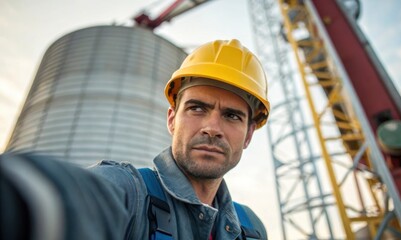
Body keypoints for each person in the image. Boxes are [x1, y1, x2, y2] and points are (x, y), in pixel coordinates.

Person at [0, 39, 270, 240]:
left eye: (232, 116)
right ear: (172, 119)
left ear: (248, 135)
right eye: (197, 108)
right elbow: (63, 199)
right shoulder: (129, 193)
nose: (212, 128)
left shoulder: (252, 228)